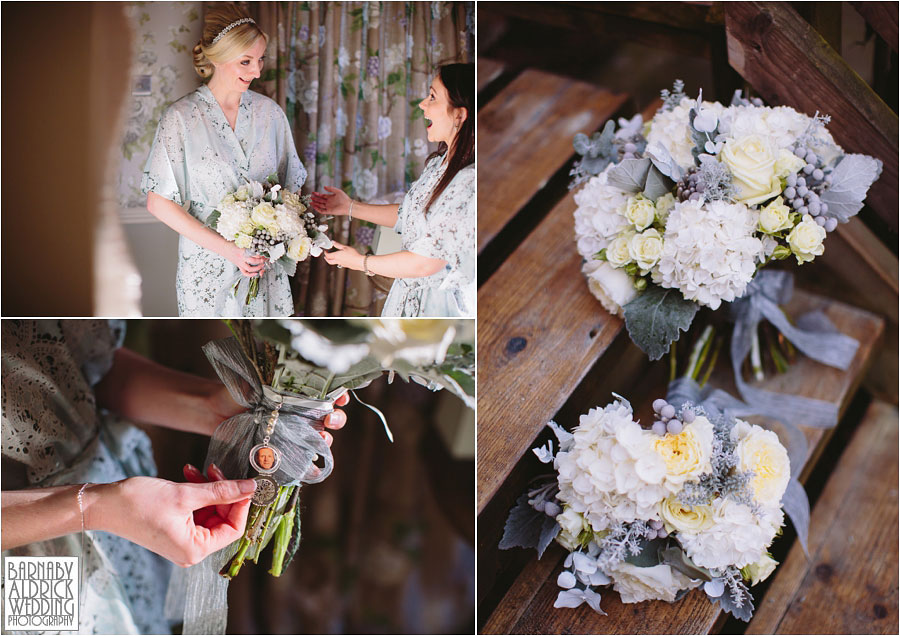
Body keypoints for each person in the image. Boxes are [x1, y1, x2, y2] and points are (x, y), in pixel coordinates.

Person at [1, 320, 348, 634]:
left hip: (113, 504)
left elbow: (72, 370)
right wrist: (98, 507)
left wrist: (214, 408)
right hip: (32, 546)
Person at [142, 5, 306, 317]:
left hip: (262, 266)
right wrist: (230, 251)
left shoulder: (270, 114)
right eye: (245, 61)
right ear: (216, 58)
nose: (257, 72)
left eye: (260, 60)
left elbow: (290, 190)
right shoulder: (181, 118)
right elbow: (158, 202)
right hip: (206, 269)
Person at [311, 63, 476, 317]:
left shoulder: (468, 181)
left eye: (432, 97)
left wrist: (360, 262)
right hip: (406, 296)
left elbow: (426, 262)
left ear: (460, 115)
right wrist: (349, 207)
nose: (423, 104)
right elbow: (409, 215)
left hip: (437, 307)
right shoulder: (438, 164)